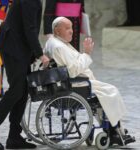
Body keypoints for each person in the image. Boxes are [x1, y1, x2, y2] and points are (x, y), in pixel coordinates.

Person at [44, 16, 136, 146]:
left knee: (105, 94)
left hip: (73, 82)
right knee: (111, 91)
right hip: (76, 84)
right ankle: (115, 131)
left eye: (71, 28)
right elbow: (72, 70)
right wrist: (86, 53)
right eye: (67, 28)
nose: (71, 31)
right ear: (57, 31)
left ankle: (114, 129)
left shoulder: (53, 42)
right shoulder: (59, 46)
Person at [0, 0, 50, 150]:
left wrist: (33, 52)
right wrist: (40, 54)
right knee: (17, 90)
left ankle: (14, 137)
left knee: (23, 91)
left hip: (19, 47)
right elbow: (29, 28)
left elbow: (30, 28)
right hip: (13, 47)